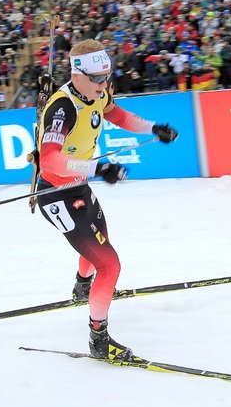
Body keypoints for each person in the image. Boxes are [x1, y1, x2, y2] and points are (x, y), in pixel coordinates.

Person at [34, 39, 178, 362]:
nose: (104, 85)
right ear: (78, 74)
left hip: (78, 186)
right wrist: (98, 166)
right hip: (55, 194)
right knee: (110, 264)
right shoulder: (63, 107)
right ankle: (99, 339)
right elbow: (50, 161)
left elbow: (118, 116)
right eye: (98, 79)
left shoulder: (97, 93)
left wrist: (153, 128)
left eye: (107, 77)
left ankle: (83, 287)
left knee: (101, 241)